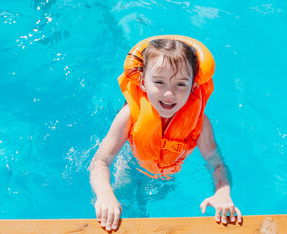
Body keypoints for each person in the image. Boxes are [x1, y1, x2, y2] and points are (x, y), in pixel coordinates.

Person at [88, 35, 242, 231]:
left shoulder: (200, 123)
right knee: (119, 207)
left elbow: (217, 162)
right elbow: (100, 161)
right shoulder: (129, 115)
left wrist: (222, 192)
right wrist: (105, 195)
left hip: (169, 176)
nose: (169, 94)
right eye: (159, 82)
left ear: (193, 86)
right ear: (143, 82)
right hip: (131, 166)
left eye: (180, 84)